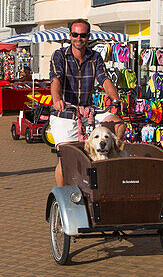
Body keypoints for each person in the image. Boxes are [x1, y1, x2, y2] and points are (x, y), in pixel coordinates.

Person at [49, 19, 124, 186]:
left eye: (82, 35)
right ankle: (62, 193)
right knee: (66, 157)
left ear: (88, 36)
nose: (79, 38)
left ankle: (105, 163)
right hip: (65, 113)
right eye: (75, 34)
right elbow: (56, 79)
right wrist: (57, 99)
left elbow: (104, 79)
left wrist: (115, 99)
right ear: (70, 35)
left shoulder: (95, 56)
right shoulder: (60, 55)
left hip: (88, 113)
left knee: (117, 123)